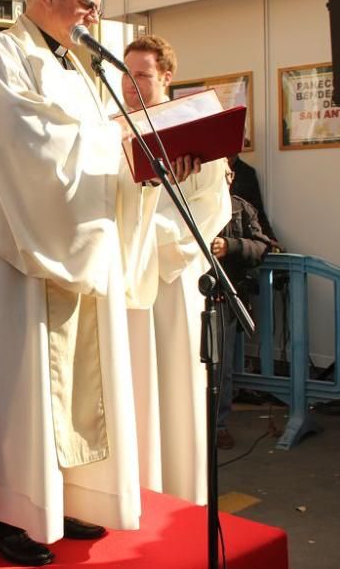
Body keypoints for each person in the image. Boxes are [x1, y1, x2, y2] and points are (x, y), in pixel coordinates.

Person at [0, 0, 163, 566]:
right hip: (14, 258)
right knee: (17, 391)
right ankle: (3, 513)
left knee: (68, 395)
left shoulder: (75, 66)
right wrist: (113, 141)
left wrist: (134, 158)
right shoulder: (0, 56)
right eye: (88, 4)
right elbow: (30, 147)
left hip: (68, 246)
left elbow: (93, 146)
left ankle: (58, 497)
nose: (95, 17)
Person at [122, 34, 231, 506]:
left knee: (176, 382)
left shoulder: (195, 122)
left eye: (142, 76)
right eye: (126, 76)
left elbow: (214, 206)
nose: (132, 86)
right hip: (125, 273)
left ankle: (181, 491)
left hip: (172, 275)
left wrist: (155, 236)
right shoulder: (115, 128)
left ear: (167, 76)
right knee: (132, 384)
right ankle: (132, 486)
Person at [210, 168, 272, 449]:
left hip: (225, 297)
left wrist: (231, 246)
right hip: (191, 296)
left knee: (221, 367)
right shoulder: (190, 206)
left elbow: (262, 246)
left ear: (230, 176)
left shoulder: (242, 208)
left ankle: (218, 425)